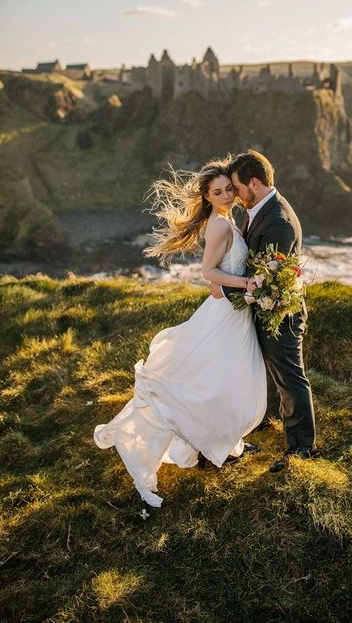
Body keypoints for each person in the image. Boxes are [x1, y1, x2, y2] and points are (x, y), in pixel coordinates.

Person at [94, 161, 267, 507]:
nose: (226, 195)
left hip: (233, 311)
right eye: (217, 192)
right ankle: (209, 447)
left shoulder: (231, 218)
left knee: (224, 379)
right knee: (216, 380)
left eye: (229, 189)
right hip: (227, 313)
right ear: (207, 196)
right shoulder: (219, 224)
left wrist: (235, 282)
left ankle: (219, 444)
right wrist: (246, 282)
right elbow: (209, 271)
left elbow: (216, 273)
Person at [210, 150, 318, 472]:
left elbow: (267, 279)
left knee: (289, 377)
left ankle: (302, 447)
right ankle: (268, 420)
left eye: (237, 188)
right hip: (265, 307)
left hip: (281, 313)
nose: (234, 195)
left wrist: (224, 285)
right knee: (268, 371)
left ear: (253, 182)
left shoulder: (278, 222)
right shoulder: (261, 207)